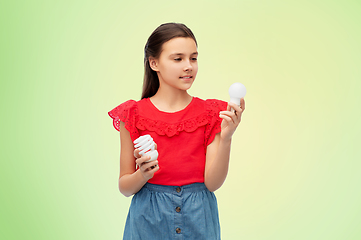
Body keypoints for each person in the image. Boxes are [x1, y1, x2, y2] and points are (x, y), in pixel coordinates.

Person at [108, 22, 245, 240]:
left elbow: (212, 183)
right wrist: (142, 174)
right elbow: (125, 187)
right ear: (154, 63)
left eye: (193, 58)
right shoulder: (132, 114)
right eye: (178, 58)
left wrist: (227, 138)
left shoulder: (212, 113)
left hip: (199, 220)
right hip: (147, 222)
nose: (188, 66)